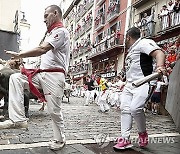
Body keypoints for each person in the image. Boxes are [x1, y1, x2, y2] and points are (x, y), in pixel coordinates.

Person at [0, 5, 70, 151]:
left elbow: (42, 49)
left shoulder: (61, 32)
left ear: (55, 13)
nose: (44, 20)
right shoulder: (51, 33)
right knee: (16, 78)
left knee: (54, 111)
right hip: (42, 73)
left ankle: (60, 138)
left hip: (55, 76)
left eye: (46, 16)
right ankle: (18, 119)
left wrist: (20, 54)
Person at [113, 27, 166, 150]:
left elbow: (159, 53)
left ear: (128, 37)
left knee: (135, 109)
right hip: (130, 85)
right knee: (125, 109)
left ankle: (142, 133)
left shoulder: (143, 43)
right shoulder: (131, 51)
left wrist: (159, 66)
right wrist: (125, 82)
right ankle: (124, 139)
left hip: (144, 83)